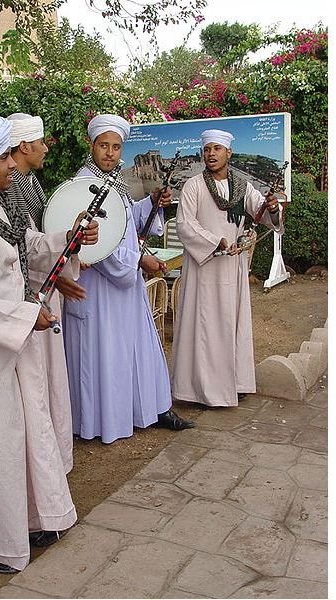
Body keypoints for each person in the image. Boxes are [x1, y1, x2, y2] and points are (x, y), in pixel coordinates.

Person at [0, 115, 98, 574]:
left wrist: (66, 238)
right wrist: (27, 314)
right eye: (4, 157)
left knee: (21, 437)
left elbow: (26, 245)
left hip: (9, 347)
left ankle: (31, 521)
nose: (12, 163)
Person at [63, 113, 194, 444]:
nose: (109, 152)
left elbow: (124, 221)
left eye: (116, 147)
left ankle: (149, 409)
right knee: (104, 354)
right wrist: (138, 261)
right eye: (104, 145)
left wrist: (150, 203)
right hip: (98, 290)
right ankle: (104, 421)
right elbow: (95, 246)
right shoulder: (83, 185)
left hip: (126, 287)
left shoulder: (115, 182)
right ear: (91, 146)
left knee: (136, 348)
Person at [170, 129, 283, 408]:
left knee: (232, 323)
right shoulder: (193, 185)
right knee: (203, 326)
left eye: (217, 149)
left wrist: (272, 207)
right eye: (207, 149)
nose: (211, 154)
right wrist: (215, 242)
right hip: (203, 267)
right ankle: (198, 389)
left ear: (228, 153)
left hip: (231, 266)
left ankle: (234, 383)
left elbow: (264, 213)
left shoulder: (243, 186)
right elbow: (185, 224)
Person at [6, 112, 86, 473]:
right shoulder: (10, 189)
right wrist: (55, 276)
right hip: (28, 299)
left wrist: (61, 269)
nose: (46, 148)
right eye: (41, 142)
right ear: (24, 146)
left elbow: (39, 238)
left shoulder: (32, 183)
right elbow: (20, 248)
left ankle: (51, 454)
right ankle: (35, 460)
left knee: (50, 379)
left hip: (45, 288)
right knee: (34, 384)